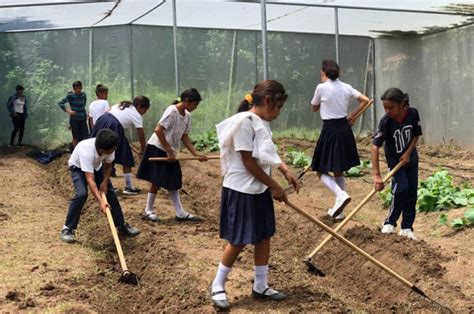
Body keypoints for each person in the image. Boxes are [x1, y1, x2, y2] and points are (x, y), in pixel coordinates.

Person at [209, 80, 299, 310]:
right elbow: (248, 162)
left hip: (257, 188)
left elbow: (267, 152)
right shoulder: (244, 123)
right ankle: (218, 285)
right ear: (268, 101)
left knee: (263, 236)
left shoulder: (261, 122)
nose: (279, 112)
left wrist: (285, 170)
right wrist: (274, 186)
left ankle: (261, 285)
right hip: (242, 189)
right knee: (238, 240)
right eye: (278, 107)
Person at [310, 60, 369, 219]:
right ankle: (340, 211)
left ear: (323, 72)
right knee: (338, 169)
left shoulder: (321, 87)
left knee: (319, 169)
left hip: (330, 130)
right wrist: (353, 115)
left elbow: (314, 108)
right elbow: (366, 100)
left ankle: (340, 195)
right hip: (344, 129)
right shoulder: (346, 87)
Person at [136, 88, 207, 222]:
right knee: (156, 180)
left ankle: (180, 212)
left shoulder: (187, 116)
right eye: (194, 105)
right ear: (187, 101)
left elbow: (184, 136)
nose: (195, 108)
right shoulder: (172, 111)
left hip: (170, 150)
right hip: (158, 147)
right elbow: (158, 130)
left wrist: (196, 153)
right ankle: (148, 210)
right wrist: (168, 149)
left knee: (174, 179)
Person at [60, 128, 140, 243]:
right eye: (113, 149)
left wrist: (105, 182)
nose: (115, 150)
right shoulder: (86, 151)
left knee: (111, 194)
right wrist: (101, 202)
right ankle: (67, 229)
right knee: (82, 194)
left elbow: (108, 166)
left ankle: (122, 226)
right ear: (102, 149)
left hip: (96, 166)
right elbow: (90, 180)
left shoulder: (110, 147)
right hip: (77, 167)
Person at [372, 88, 422, 240]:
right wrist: (377, 175)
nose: (387, 111)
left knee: (411, 192)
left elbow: (415, 135)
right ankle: (390, 222)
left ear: (402, 105)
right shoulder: (385, 122)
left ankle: (407, 227)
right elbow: (375, 147)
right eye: (385, 108)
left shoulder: (413, 113)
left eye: (391, 107)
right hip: (395, 162)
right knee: (402, 188)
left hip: (411, 160)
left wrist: (408, 153)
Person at [89, 96, 150, 194]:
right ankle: (127, 187)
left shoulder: (123, 106)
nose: (145, 113)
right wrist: (144, 150)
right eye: (145, 110)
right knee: (123, 156)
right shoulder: (136, 114)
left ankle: (101, 183)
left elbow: (109, 112)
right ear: (139, 106)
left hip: (102, 121)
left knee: (100, 151)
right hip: (113, 125)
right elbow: (141, 135)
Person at [58, 81, 89, 148]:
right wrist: (68, 111)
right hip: (74, 119)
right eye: (76, 88)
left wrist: (85, 114)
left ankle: (84, 150)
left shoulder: (83, 95)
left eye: (79, 88)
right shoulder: (71, 96)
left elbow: (83, 105)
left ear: (81, 88)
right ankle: (75, 152)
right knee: (75, 137)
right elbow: (61, 103)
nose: (78, 90)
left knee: (85, 136)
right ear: (73, 89)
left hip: (83, 118)